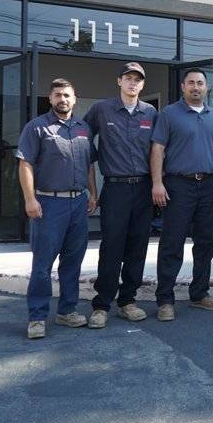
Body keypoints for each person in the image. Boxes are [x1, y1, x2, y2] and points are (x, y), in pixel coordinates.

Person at [16, 78, 98, 339]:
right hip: (49, 204)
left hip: (77, 203)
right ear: (50, 99)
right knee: (42, 264)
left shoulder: (83, 127)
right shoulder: (37, 127)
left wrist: (92, 193)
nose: (63, 99)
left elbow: (88, 165)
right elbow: (25, 164)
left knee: (72, 262)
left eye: (67, 95)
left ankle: (66, 311)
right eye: (58, 95)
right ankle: (37, 317)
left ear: (75, 99)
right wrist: (30, 199)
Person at [151, 67, 213, 321]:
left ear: (206, 87)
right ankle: (165, 299)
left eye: (200, 83)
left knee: (207, 241)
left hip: (208, 185)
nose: (196, 87)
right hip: (178, 185)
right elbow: (157, 149)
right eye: (191, 83)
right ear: (183, 87)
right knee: (172, 243)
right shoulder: (169, 114)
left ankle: (199, 293)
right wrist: (157, 183)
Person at [84, 62, 158, 329]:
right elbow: (82, 139)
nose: (132, 83)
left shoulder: (150, 113)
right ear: (119, 82)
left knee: (137, 247)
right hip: (114, 188)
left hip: (143, 188)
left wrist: (158, 184)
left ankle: (128, 301)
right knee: (112, 246)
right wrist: (92, 176)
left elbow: (157, 151)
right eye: (128, 78)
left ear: (142, 85)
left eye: (137, 80)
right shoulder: (101, 110)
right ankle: (102, 305)